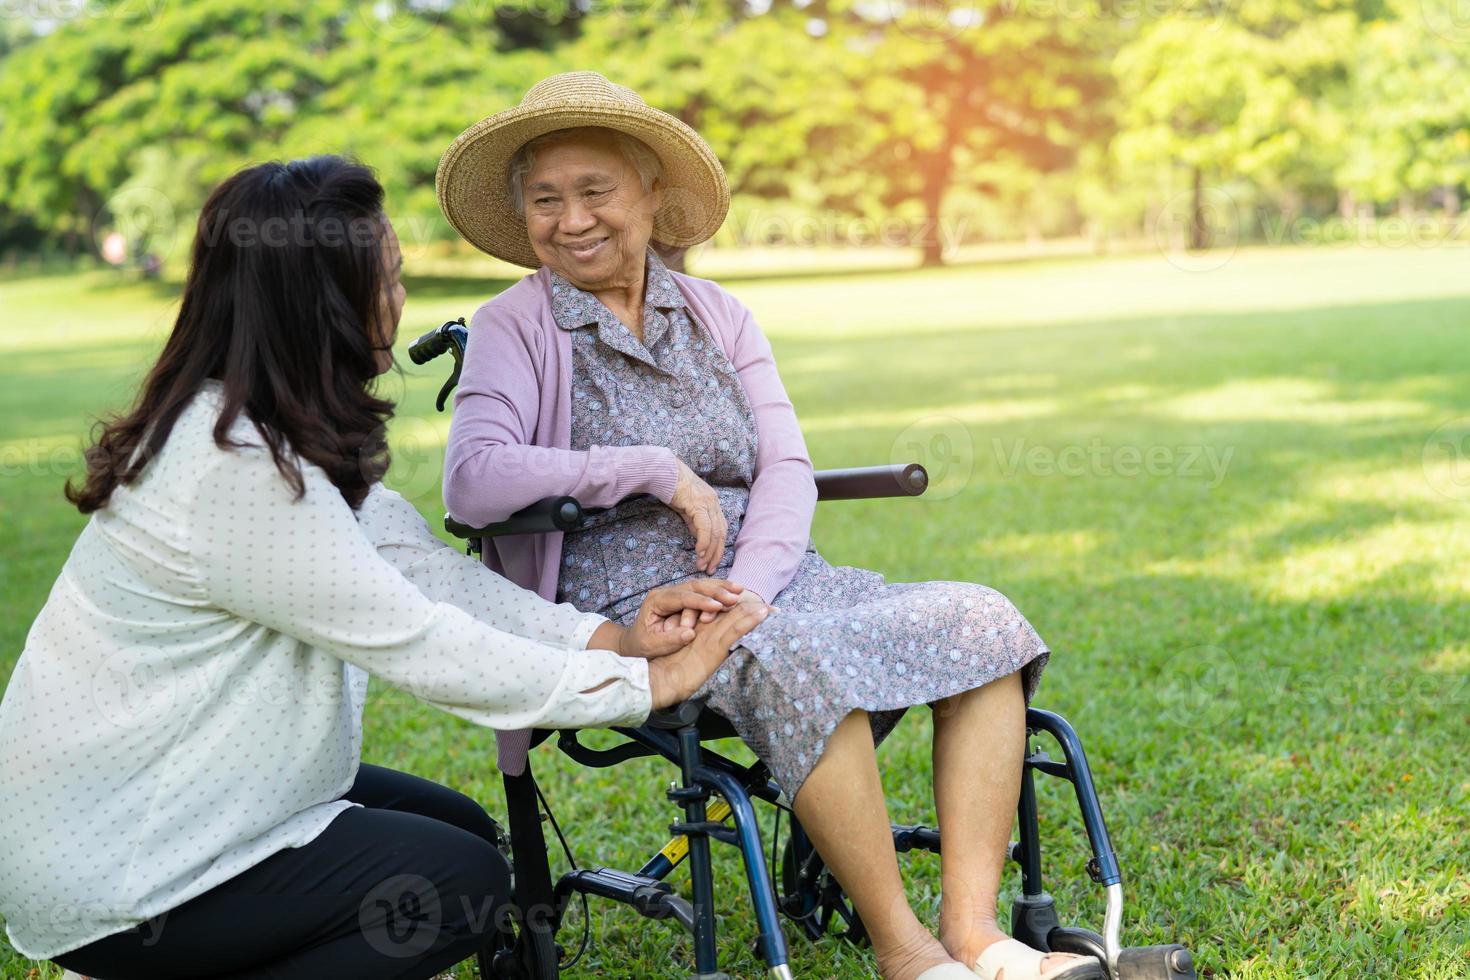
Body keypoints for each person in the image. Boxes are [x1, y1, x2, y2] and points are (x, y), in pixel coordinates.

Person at [0, 155, 766, 980]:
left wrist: (614, 638)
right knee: (457, 886)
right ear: (321, 305)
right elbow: (419, 641)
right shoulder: (235, 471)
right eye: (387, 277)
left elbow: (427, 575)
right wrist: (645, 689)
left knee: (466, 836)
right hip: (126, 863)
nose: (399, 299)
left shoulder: (256, 426)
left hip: (171, 795)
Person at [434, 73, 1100, 980]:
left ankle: (975, 934)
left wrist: (753, 584)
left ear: (651, 193)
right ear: (523, 214)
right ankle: (905, 952)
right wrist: (651, 469)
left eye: (596, 191)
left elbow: (785, 465)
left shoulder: (719, 314)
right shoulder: (517, 327)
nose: (572, 219)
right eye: (546, 199)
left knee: (982, 619)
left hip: (770, 576)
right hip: (636, 610)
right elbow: (473, 480)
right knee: (787, 656)